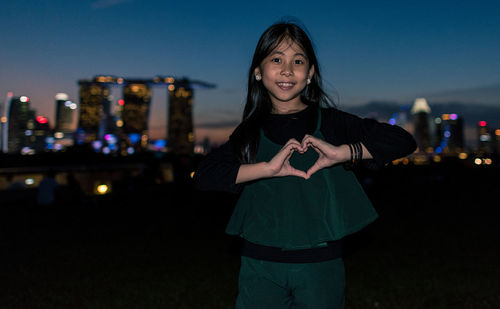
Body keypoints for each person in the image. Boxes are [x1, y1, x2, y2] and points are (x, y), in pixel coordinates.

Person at [194, 20, 417, 309]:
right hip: (259, 263)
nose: (287, 69)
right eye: (276, 59)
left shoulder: (334, 123)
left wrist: (346, 152)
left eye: (298, 61)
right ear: (258, 72)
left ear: (310, 74)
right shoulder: (249, 132)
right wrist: (267, 168)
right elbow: (204, 176)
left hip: (321, 262)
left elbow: (402, 140)